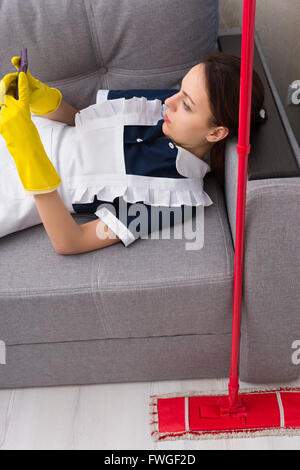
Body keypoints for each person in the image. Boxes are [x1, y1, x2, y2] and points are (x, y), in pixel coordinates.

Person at [0, 52, 267, 254]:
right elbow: (84, 122)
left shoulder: (177, 200)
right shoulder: (164, 104)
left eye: (186, 104)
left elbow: (70, 241)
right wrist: (44, 100)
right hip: (21, 128)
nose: (169, 101)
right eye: (181, 90)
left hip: (19, 188)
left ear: (216, 133)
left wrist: (28, 154)